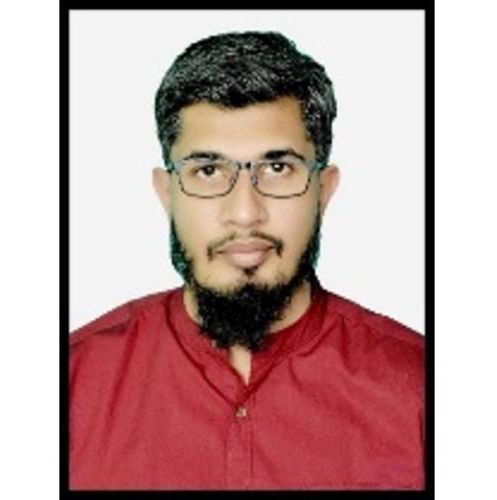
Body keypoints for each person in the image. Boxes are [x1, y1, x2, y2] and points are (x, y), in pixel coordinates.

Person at [69, 31, 424, 490]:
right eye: (208, 170)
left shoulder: (420, 392)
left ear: (323, 190)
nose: (243, 213)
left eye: (277, 168)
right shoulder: (71, 385)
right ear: (167, 193)